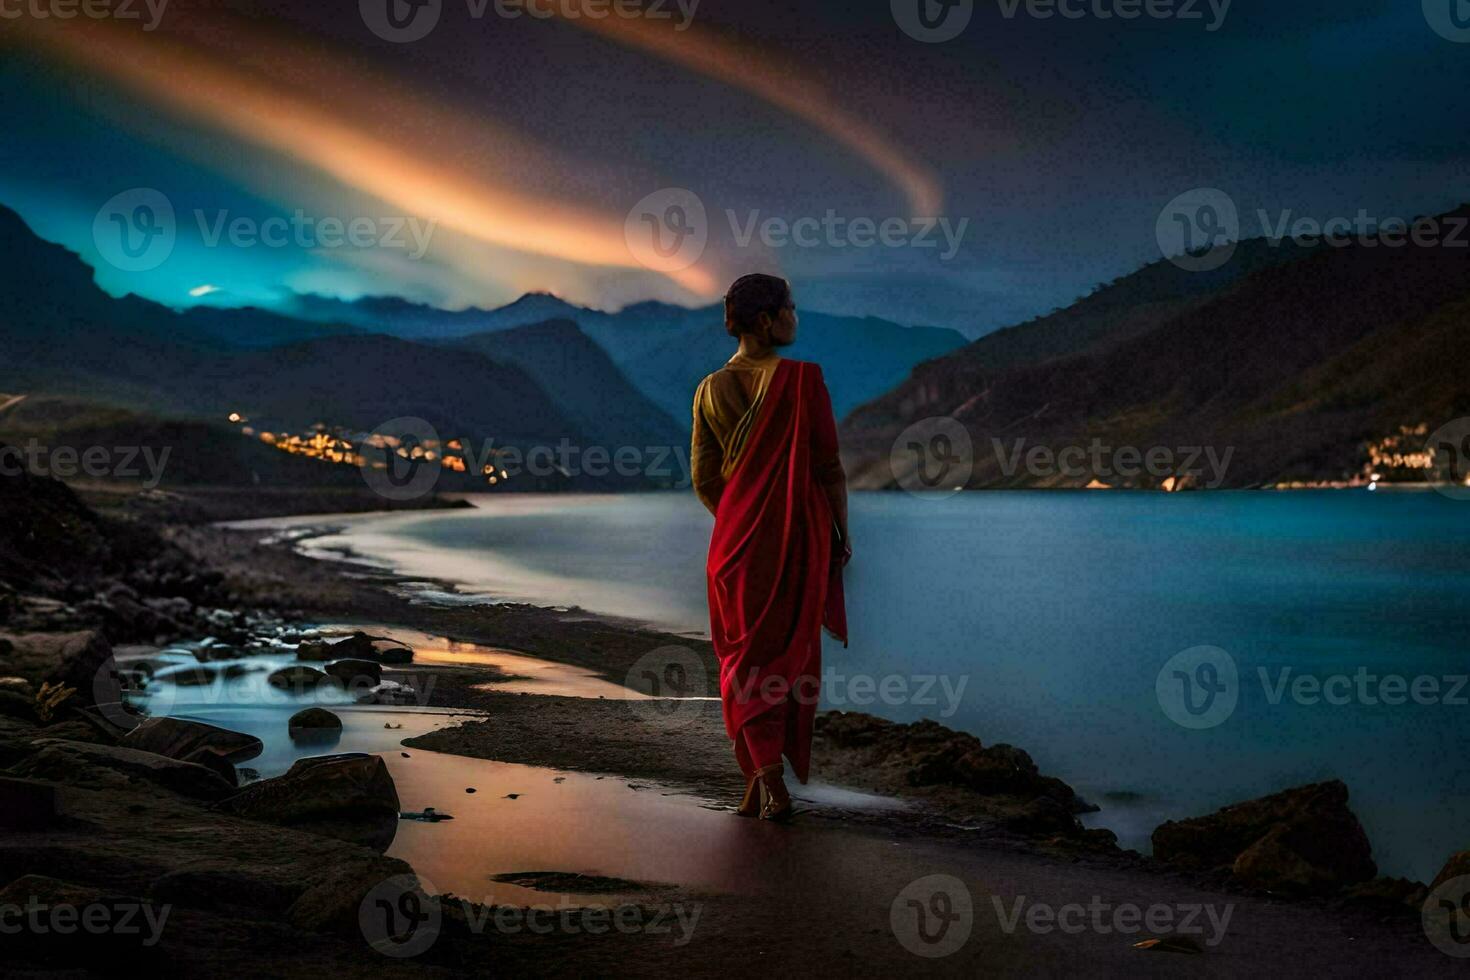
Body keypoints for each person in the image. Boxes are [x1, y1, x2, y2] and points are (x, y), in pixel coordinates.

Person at [691, 273, 851, 821]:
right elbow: (829, 468)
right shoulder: (804, 382)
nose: (795, 318)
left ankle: (759, 783)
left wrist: (743, 520)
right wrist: (838, 533)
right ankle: (773, 785)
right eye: (790, 308)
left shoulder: (709, 389)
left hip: (734, 545)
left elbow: (704, 478)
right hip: (796, 538)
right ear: (766, 319)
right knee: (785, 655)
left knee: (743, 658)